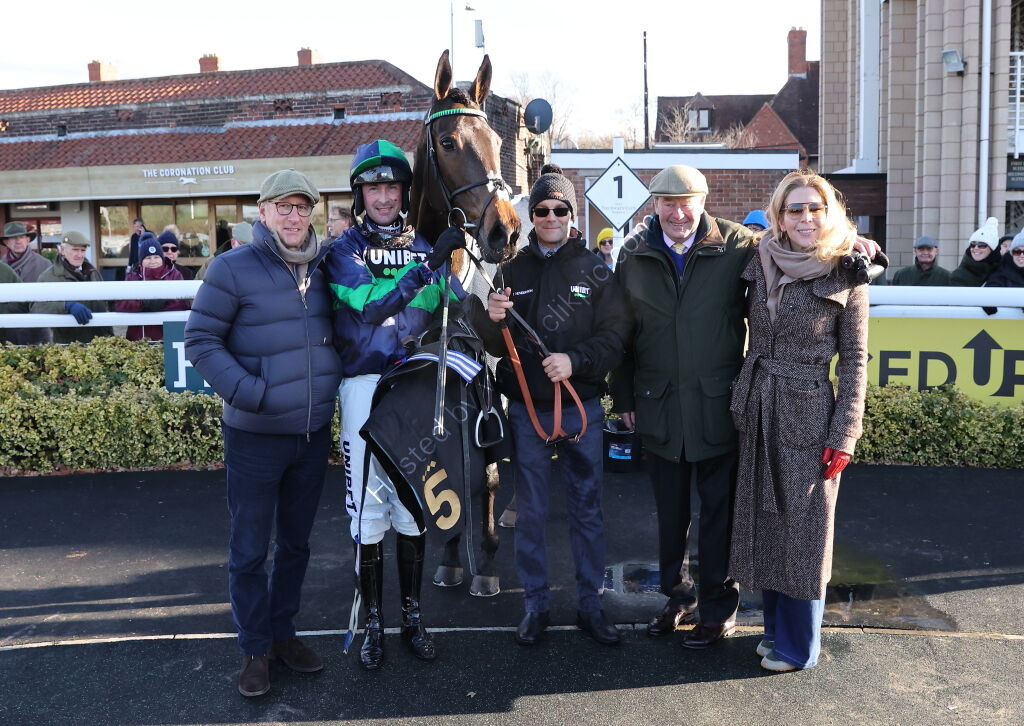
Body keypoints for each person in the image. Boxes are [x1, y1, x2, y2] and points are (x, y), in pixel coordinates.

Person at [184, 169, 342, 698]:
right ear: (263, 212)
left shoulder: (329, 266)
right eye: (283, 207)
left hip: (311, 434)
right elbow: (201, 339)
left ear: (312, 213)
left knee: (296, 545)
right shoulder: (232, 268)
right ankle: (254, 647)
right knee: (250, 550)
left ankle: (282, 634)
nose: (294, 217)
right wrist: (250, 392)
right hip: (254, 436)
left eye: (303, 207)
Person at [474, 166, 632, 647]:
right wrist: (491, 318)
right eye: (541, 209)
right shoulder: (511, 270)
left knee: (587, 512)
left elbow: (617, 337)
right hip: (528, 412)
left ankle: (590, 605)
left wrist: (574, 359)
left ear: (571, 214)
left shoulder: (595, 268)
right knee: (532, 513)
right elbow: (495, 345)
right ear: (533, 214)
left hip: (582, 407)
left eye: (559, 209)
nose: (549, 217)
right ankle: (535, 607)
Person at [325, 139, 467, 671]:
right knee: (368, 510)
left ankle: (412, 618)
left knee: (413, 504)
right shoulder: (344, 251)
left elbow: (457, 306)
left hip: (413, 389)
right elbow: (368, 309)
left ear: (405, 191)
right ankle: (372, 626)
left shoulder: (426, 245)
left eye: (391, 186)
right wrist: (428, 264)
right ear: (360, 193)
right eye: (373, 187)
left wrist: (474, 282)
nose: (383, 197)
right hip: (363, 389)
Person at [728, 169, 869, 672]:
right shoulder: (759, 257)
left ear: (829, 213)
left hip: (811, 412)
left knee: (805, 532)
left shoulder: (848, 270)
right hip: (758, 404)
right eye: (795, 209)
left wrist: (845, 432)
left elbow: (855, 359)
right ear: (779, 218)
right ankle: (774, 631)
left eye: (815, 208)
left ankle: (799, 646)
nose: (806, 218)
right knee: (764, 523)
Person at [611, 165, 754, 649]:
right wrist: (625, 396)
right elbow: (621, 334)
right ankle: (678, 598)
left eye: (686, 201)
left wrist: (851, 247)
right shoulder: (632, 253)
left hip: (719, 406)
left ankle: (717, 609)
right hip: (659, 407)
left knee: (719, 516)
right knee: (670, 517)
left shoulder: (738, 245)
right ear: (653, 205)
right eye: (667, 203)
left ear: (704, 200)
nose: (678, 212)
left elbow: (796, 256)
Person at [30, 231, 112, 344]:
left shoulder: (93, 272)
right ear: (62, 250)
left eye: (83, 250)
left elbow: (105, 305)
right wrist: (66, 306)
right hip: (69, 346)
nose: (80, 255)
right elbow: (35, 307)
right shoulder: (49, 276)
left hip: (101, 343)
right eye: (75, 250)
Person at [114, 234, 188, 341]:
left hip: (168, 338)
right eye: (148, 258)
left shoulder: (174, 275)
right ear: (141, 261)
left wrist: (161, 304)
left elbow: (181, 304)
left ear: (162, 258)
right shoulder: (133, 277)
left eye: (156, 257)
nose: (153, 261)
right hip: (138, 338)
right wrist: (143, 304)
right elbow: (120, 304)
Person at [0, 221, 52, 343]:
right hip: (6, 333)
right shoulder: (1, 267)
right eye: (13, 238)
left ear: (28, 240)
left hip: (35, 332)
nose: (18, 241)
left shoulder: (44, 264)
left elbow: (49, 299)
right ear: (6, 242)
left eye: (22, 237)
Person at [951, 217, 1001, 286]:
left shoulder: (1001, 271)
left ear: (992, 249)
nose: (976, 248)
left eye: (982, 245)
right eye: (973, 244)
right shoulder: (959, 276)